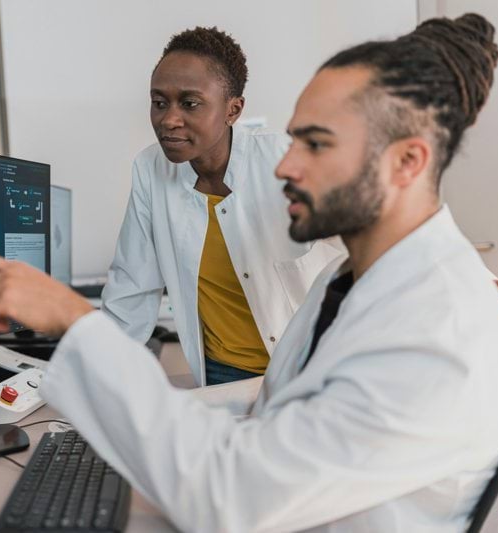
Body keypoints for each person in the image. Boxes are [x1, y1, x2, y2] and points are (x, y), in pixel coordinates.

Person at [0, 13, 498, 531]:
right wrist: (112, 406)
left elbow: (233, 498)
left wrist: (77, 324)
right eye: (294, 141)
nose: (285, 166)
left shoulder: (436, 332)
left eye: (315, 144)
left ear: (407, 161)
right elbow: (275, 404)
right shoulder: (343, 283)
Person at [102, 27, 343, 386]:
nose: (169, 119)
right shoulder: (151, 171)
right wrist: (93, 382)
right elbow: (130, 291)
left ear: (233, 110)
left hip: (309, 371)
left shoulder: (287, 161)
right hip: (222, 377)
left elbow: (362, 255)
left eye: (190, 103)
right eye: (159, 102)